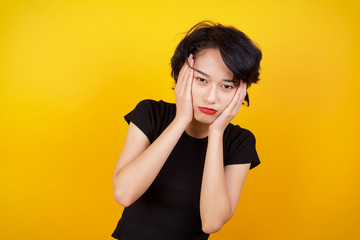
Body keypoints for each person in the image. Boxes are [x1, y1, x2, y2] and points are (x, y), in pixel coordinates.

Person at [111, 20, 262, 240]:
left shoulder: (240, 142)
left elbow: (211, 222)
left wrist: (217, 133)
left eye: (226, 86)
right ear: (182, 74)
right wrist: (181, 120)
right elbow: (124, 194)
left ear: (241, 91)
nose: (211, 98)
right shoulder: (152, 113)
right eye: (201, 80)